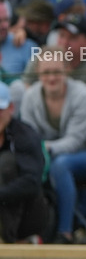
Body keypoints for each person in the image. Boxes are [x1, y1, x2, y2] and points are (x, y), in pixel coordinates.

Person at [20, 50, 86, 244]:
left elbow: (74, 141)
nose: (51, 77)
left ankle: (65, 232)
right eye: (46, 72)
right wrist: (40, 150)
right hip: (50, 156)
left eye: (56, 71)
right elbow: (29, 137)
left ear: (67, 70)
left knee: (60, 164)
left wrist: (43, 148)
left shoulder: (82, 94)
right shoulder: (31, 97)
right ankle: (29, 233)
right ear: (38, 73)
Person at [0, 82, 50, 244]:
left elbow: (32, 182)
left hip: (30, 213)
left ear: (11, 108)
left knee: (6, 163)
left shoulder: (25, 135)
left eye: (0, 110)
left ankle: (9, 239)